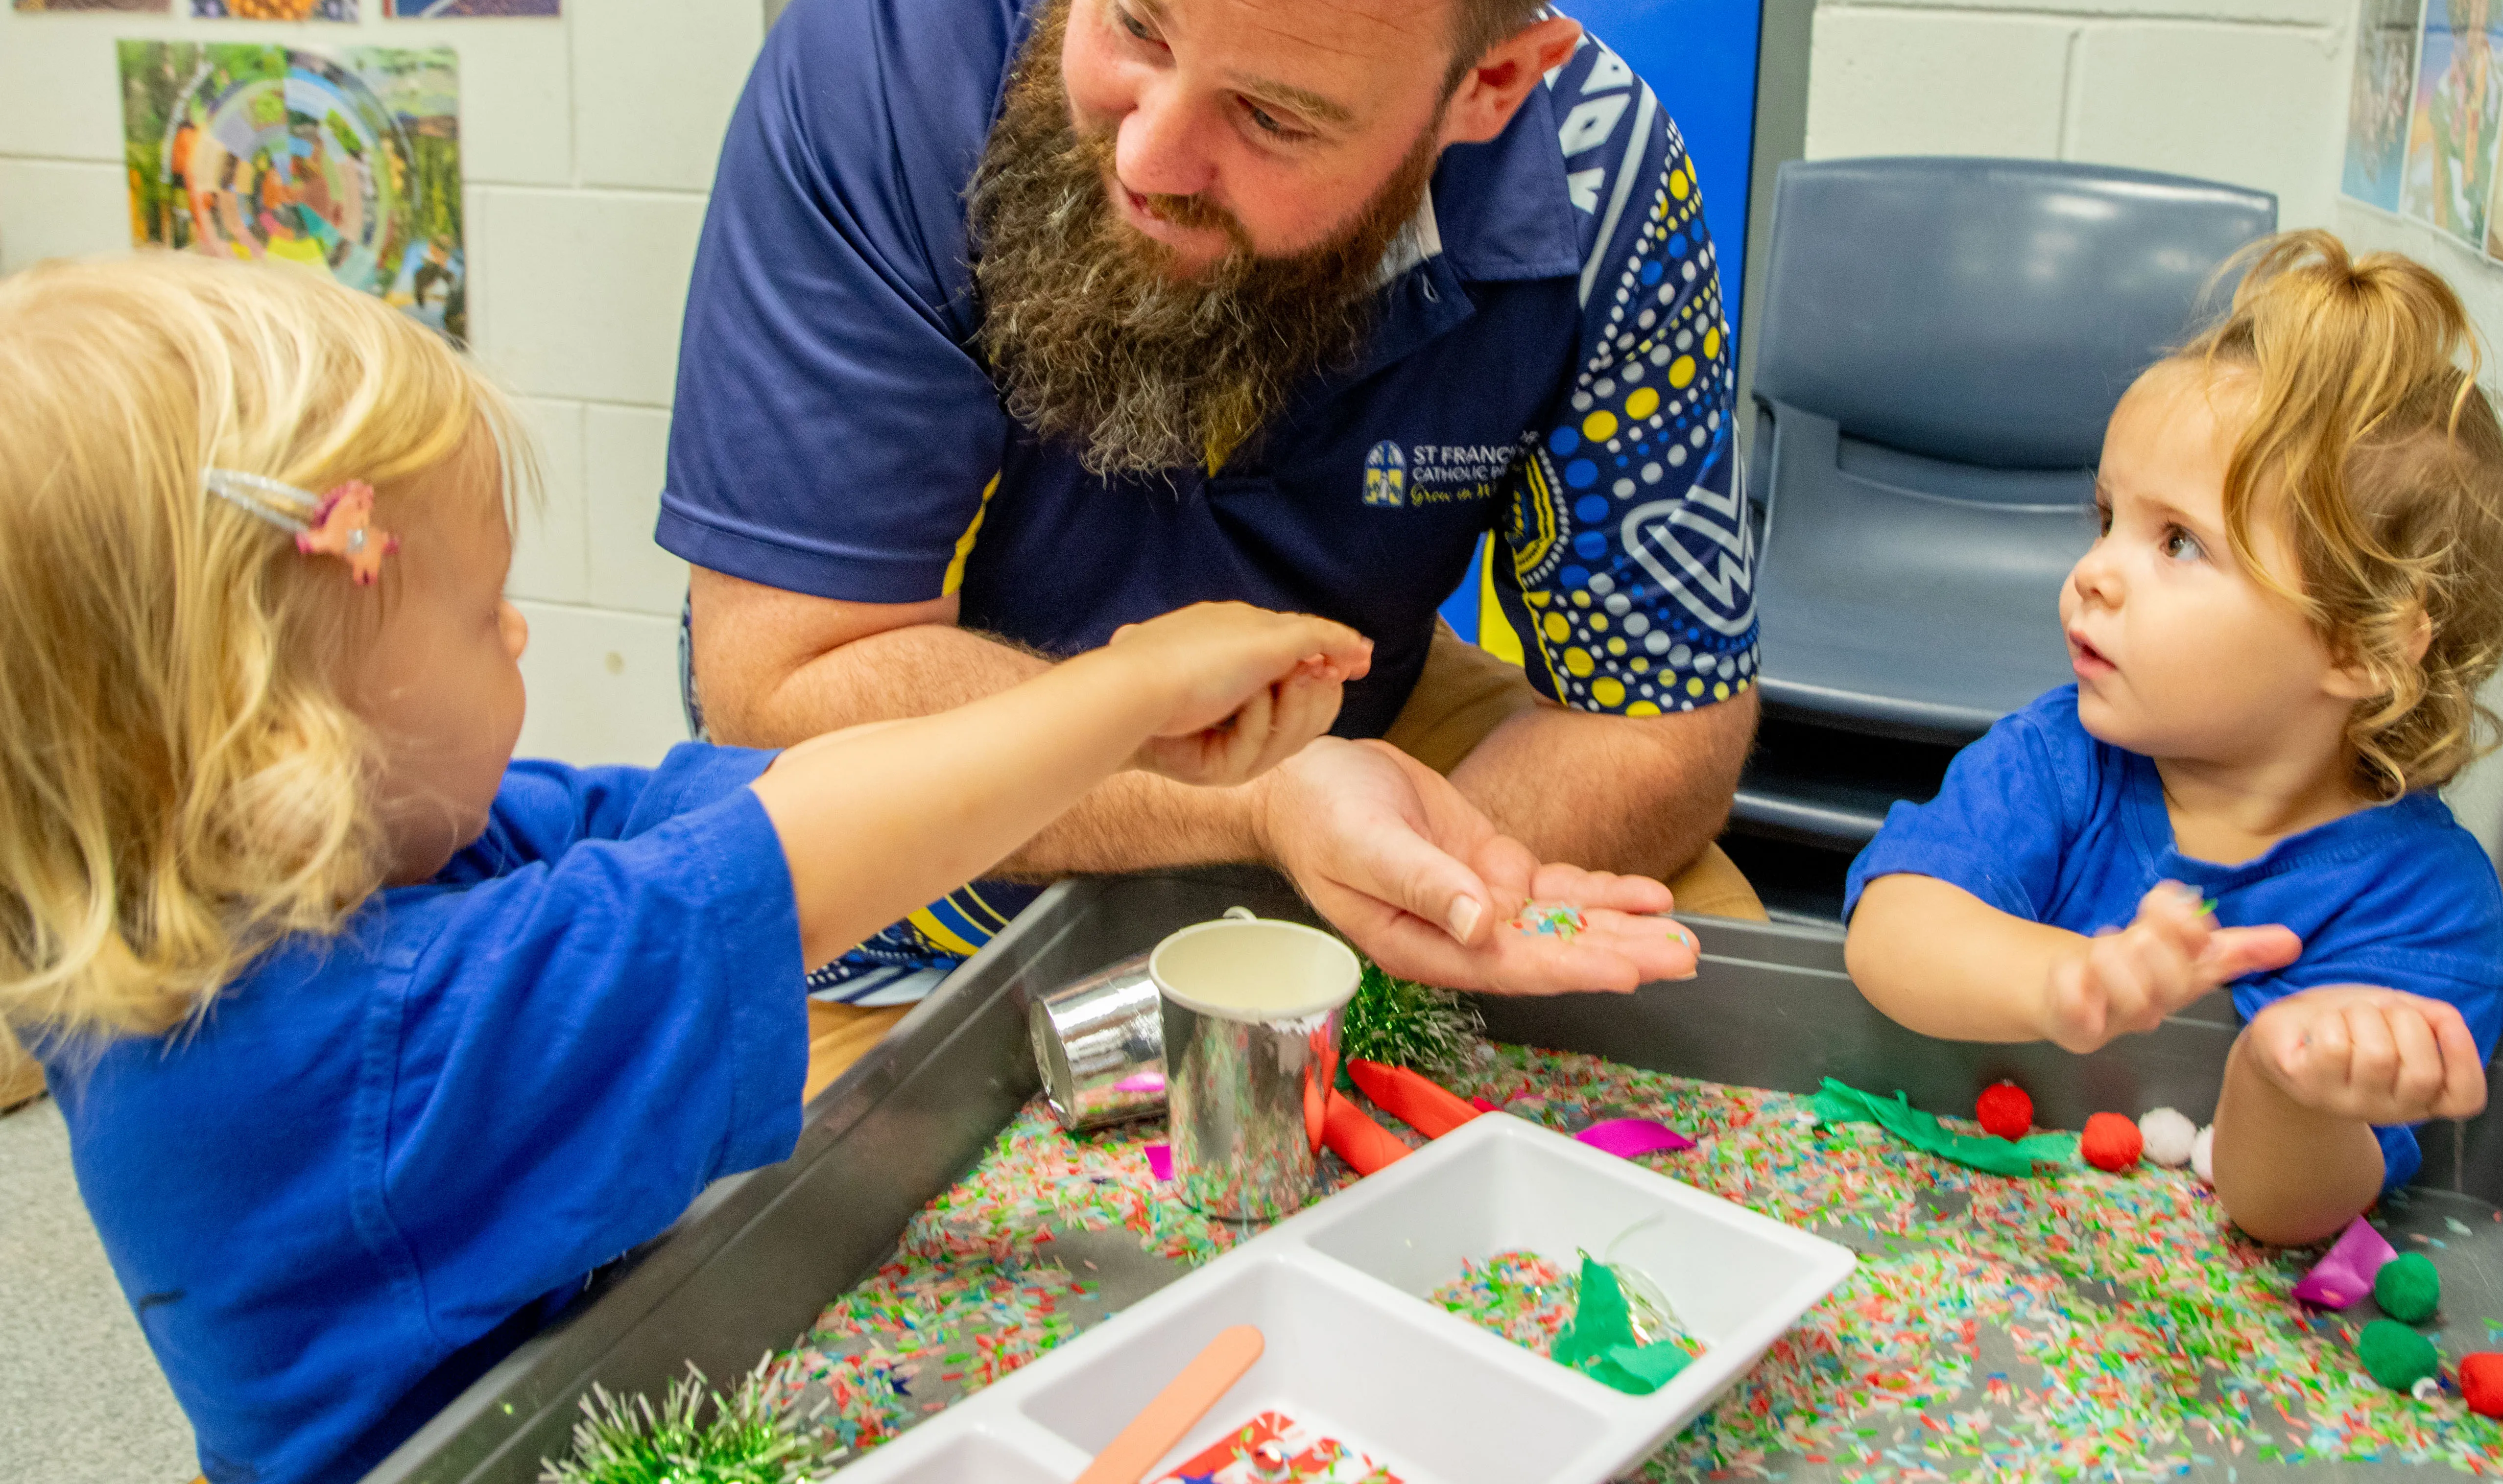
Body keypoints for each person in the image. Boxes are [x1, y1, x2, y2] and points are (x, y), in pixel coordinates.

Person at [0, 255, 1672, 1484]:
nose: (519, 634)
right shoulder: (326, 1059)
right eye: (479, 610)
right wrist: (1127, 691)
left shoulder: (376, 863)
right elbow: (787, 862)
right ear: (282, 736)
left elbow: (765, 798)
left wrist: (1238, 779)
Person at [662, 0, 1761, 1046]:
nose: (1148, 155)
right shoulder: (878, 64)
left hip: (1337, 832)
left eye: (1274, 115)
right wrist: (1260, 807)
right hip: (895, 918)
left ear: (1490, 88)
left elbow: (1664, 718)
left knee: (1696, 950)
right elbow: (785, 681)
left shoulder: (1597, 177)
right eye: (1135, 18)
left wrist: (1396, 897)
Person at [1840, 233, 2503, 1246]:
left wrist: (2286, 1086)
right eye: (2106, 518)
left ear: (2362, 645)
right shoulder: (2061, 761)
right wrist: (2064, 984)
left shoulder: (2425, 906)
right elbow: (1888, 931)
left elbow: (2283, 1212)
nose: (2093, 572)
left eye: (2177, 542)